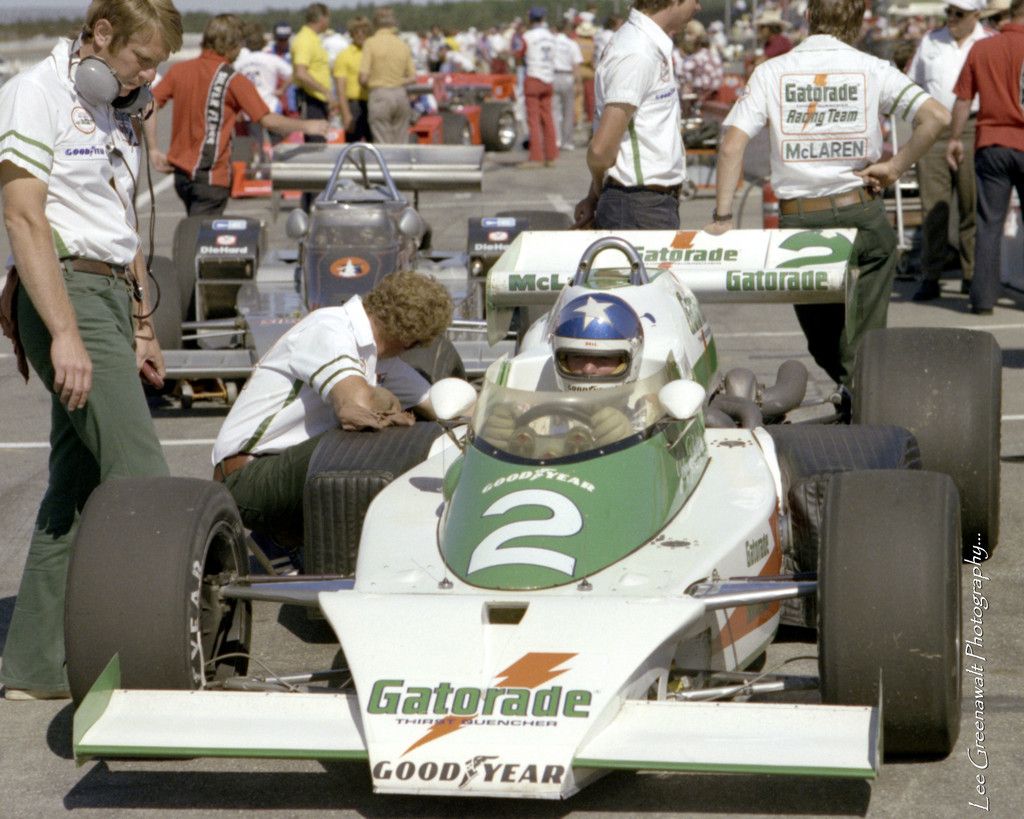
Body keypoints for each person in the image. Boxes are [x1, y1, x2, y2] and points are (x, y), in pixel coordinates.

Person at [0, 0, 183, 701]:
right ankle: (153, 660)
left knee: (75, 487)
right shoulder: (34, 92)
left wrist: (142, 320)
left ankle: (35, 667)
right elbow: (23, 217)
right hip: (67, 292)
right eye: (142, 60)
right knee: (143, 480)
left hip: (108, 292)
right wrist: (66, 332)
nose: (148, 76)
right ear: (103, 34)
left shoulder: (112, 107)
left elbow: (119, 215)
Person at [705, 0, 949, 387]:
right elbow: (937, 116)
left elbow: (732, 144)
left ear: (808, 18)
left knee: (823, 343)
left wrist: (722, 216)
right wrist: (895, 166)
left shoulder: (771, 71)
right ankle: (864, 392)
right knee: (863, 337)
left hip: (801, 219)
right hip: (861, 211)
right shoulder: (873, 68)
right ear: (859, 21)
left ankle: (857, 390)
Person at [211, 271, 452, 549]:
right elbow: (355, 408)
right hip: (246, 479)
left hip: (284, 469)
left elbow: (445, 405)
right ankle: (307, 543)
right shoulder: (329, 328)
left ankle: (296, 544)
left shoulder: (376, 356)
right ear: (411, 340)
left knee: (414, 434)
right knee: (375, 436)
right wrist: (391, 406)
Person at [147, 14, 328, 216]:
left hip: (181, 175)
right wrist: (307, 126)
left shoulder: (179, 70)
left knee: (194, 224)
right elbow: (267, 120)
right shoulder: (231, 78)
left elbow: (149, 104)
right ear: (232, 46)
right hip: (210, 175)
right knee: (201, 232)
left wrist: (153, 149)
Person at [573, 0, 699, 230]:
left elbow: (619, 138)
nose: (698, 7)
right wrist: (600, 192)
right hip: (638, 205)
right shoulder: (637, 51)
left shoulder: (645, 43)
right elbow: (601, 150)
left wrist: (594, 195)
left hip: (644, 203)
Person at [906, 0, 991, 302]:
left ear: (976, 14)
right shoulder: (931, 40)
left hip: (973, 125)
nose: (952, 18)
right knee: (933, 206)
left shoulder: (988, 41)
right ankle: (931, 274)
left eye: (959, 13)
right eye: (949, 12)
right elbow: (912, 83)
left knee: (971, 203)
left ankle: (971, 274)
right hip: (935, 126)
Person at [947, 0, 1024, 314]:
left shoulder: (982, 49)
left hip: (991, 143)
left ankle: (982, 299)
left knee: (989, 224)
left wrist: (954, 139)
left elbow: (963, 100)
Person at [359, 7, 416, 144]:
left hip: (380, 95)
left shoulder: (370, 43)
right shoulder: (402, 44)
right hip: (400, 95)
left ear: (375, 24)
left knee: (382, 143)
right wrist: (397, 81)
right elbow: (413, 77)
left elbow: (363, 78)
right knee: (401, 142)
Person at [234, 21, 293, 153]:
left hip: (250, 109)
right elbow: (291, 73)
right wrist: (282, 90)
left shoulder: (239, 63)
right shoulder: (271, 59)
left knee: (256, 145)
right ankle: (275, 160)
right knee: (277, 144)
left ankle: (258, 162)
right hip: (270, 106)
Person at [519, 7, 559, 168]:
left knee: (533, 119)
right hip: (548, 77)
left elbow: (518, 54)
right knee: (548, 118)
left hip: (533, 76)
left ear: (530, 19)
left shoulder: (527, 36)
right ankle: (551, 155)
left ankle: (536, 157)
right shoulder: (551, 36)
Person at [291, 4, 335, 138]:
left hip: (318, 100)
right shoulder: (305, 40)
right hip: (310, 100)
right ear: (322, 19)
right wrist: (324, 91)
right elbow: (301, 72)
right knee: (315, 142)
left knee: (321, 139)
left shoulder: (313, 38)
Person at [333, 15, 372, 144]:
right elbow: (340, 89)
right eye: (356, 32)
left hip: (373, 104)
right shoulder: (344, 55)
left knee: (376, 145)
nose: (360, 35)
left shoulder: (373, 53)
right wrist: (346, 114)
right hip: (353, 106)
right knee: (352, 146)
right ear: (351, 34)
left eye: (364, 31)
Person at [552, 19, 583, 150]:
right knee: (568, 111)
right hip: (567, 76)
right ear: (566, 29)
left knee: (554, 110)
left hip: (553, 75)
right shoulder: (572, 44)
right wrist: (578, 83)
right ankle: (567, 141)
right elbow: (576, 65)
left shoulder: (551, 42)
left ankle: (556, 139)